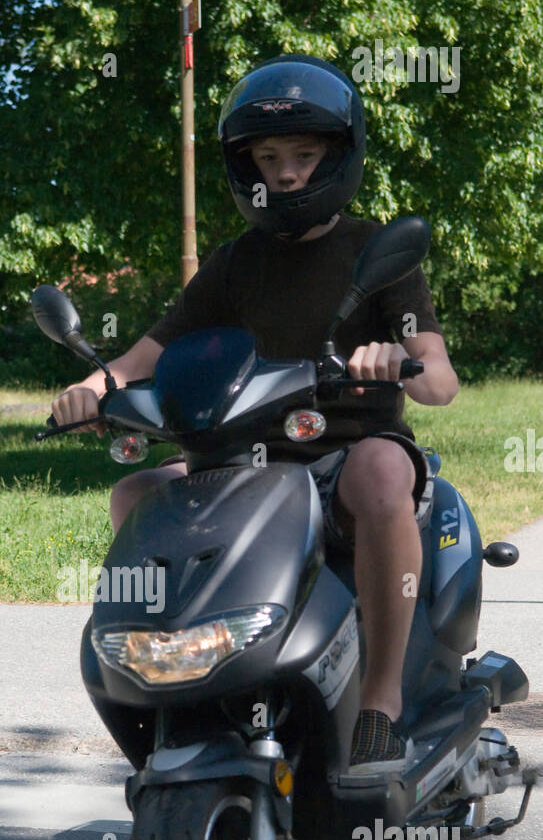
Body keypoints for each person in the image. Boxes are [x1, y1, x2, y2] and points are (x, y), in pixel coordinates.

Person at [51, 54, 459, 778]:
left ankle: (379, 700)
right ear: (249, 170)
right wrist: (94, 384)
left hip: (343, 455)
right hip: (243, 458)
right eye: (269, 159)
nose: (287, 174)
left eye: (304, 155)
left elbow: (437, 379)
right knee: (137, 492)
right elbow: (155, 346)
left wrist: (393, 359)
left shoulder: (375, 249)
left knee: (378, 472)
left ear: (338, 156)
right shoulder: (237, 260)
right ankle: (180, 675)